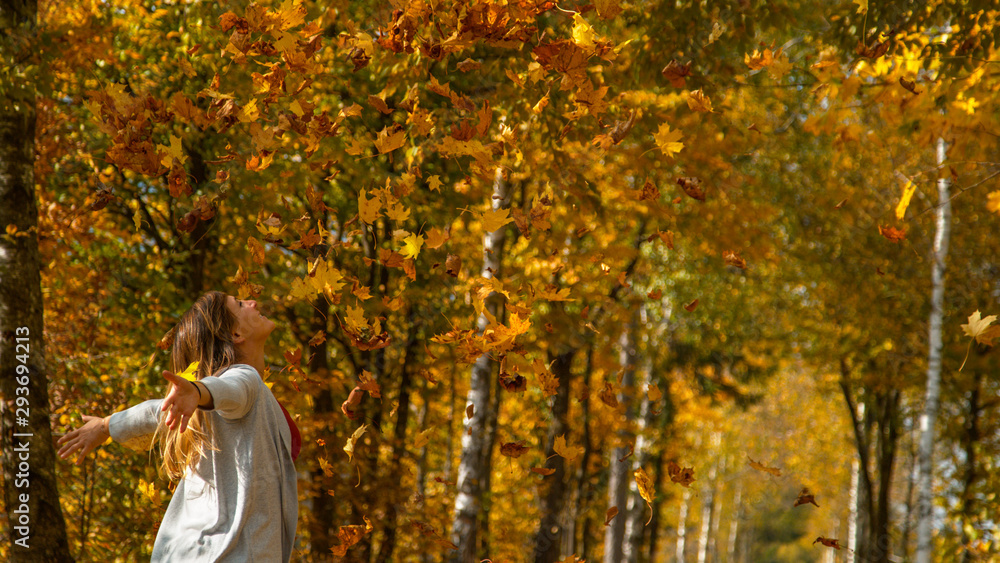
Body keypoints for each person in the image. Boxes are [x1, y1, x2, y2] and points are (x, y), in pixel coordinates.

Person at [57, 291, 304, 561]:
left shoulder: (199, 406)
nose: (254, 302)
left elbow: (155, 411)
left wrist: (106, 426)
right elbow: (229, 388)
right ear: (235, 335)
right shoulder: (245, 381)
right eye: (241, 304)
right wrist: (200, 392)